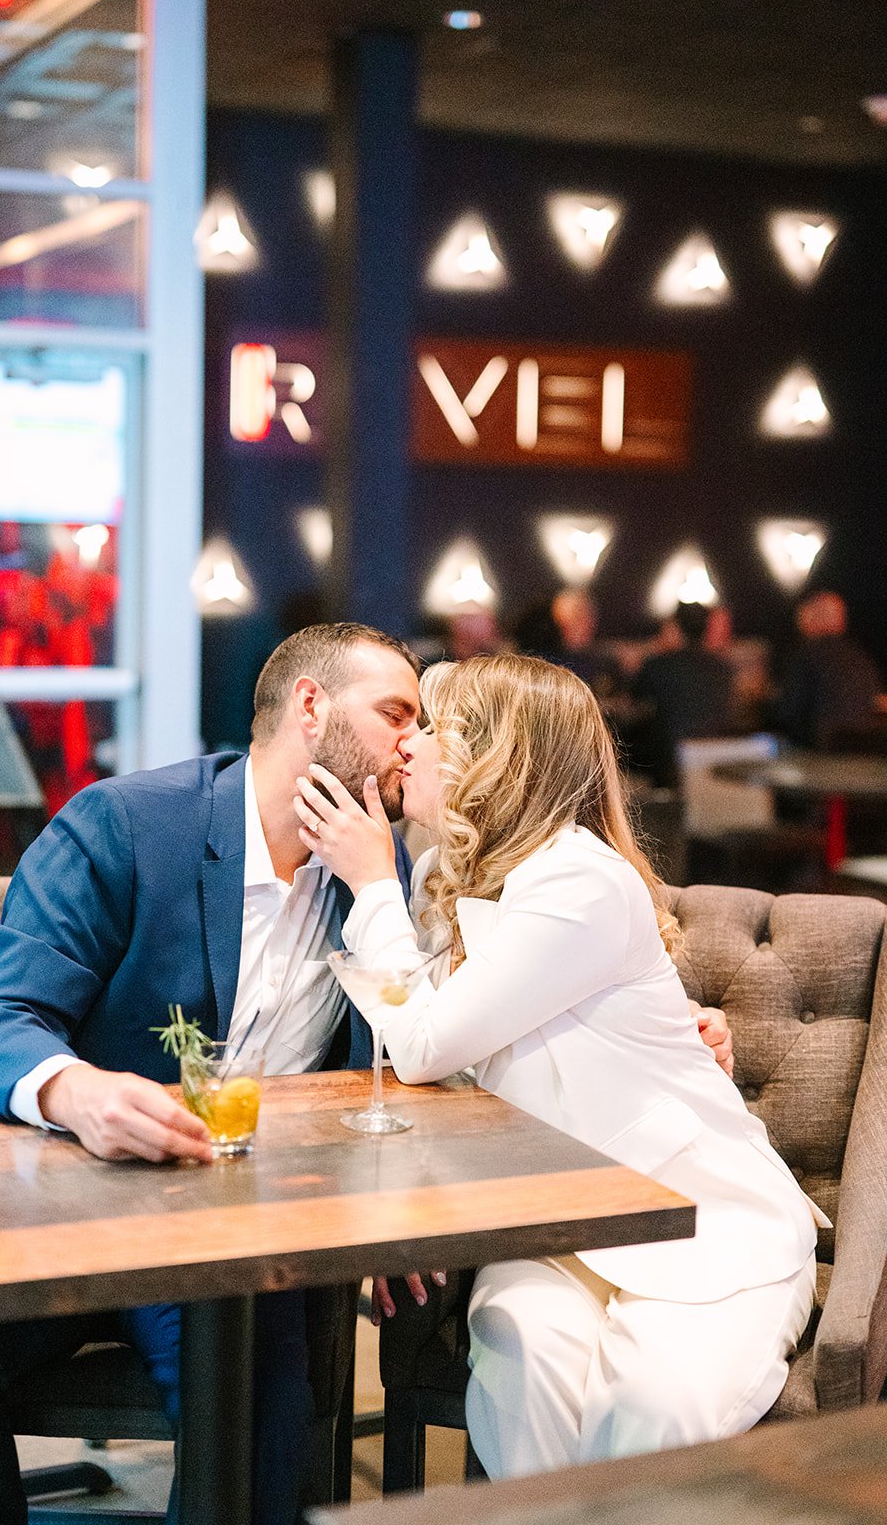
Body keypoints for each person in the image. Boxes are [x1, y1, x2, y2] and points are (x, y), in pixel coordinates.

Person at [0, 621, 423, 1525]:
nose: (411, 743)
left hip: (226, 1235)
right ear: (310, 707)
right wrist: (75, 1092)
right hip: (53, 1198)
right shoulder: (127, 824)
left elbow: (404, 1061)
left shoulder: (377, 878)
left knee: (259, 1423)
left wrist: (393, 1213)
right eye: (395, 713)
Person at [294, 654, 820, 1480]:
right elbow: (442, 1066)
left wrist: (368, 885)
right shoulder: (442, 875)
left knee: (651, 1407)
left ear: (494, 758)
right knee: (523, 1366)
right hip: (549, 1217)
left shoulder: (580, 880)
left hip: (691, 1214)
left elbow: (424, 1043)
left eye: (433, 729)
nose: (409, 748)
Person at [634, 600, 738, 784]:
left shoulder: (657, 664)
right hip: (717, 761)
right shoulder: (724, 668)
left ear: (676, 628)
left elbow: (636, 701)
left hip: (669, 762)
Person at [775, 590, 882, 749]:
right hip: (863, 750)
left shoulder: (806, 653)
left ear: (810, 617)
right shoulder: (860, 657)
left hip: (822, 750)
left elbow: (791, 711)